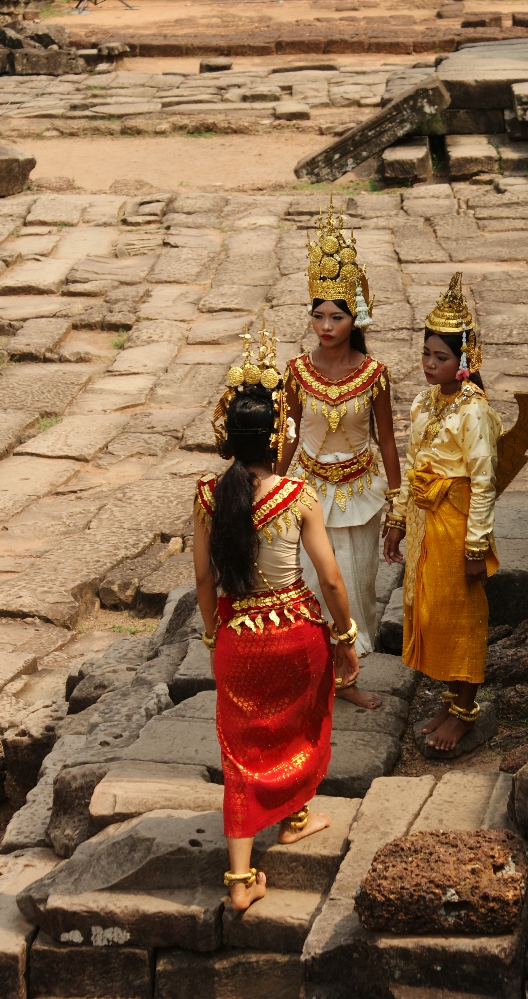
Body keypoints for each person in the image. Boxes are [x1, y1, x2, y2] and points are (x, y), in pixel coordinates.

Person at [193, 326, 360, 912]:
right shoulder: (297, 496)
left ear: (227, 438)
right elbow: (332, 580)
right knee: (297, 725)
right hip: (295, 635)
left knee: (241, 752)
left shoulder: (210, 498)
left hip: (239, 640)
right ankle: (295, 817)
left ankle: (240, 881)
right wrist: (345, 637)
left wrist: (215, 636)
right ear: (278, 436)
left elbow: (204, 581)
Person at [278, 197, 401, 711]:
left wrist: (398, 506)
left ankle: (346, 680)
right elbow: (285, 436)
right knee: (306, 586)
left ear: (357, 318)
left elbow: (389, 440)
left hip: (360, 496)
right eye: (319, 315)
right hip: (306, 493)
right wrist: (267, 489)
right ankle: (309, 678)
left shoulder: (374, 375)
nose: (326, 325)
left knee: (354, 586)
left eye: (337, 316)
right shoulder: (295, 371)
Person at [383, 273, 502, 753]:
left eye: (442, 357)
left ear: (465, 362)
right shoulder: (422, 402)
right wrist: (397, 522)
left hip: (458, 524)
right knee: (432, 612)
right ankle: (451, 698)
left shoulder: (475, 413)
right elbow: (412, 465)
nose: (430, 365)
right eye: (426, 354)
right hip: (424, 519)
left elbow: (485, 482)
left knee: (462, 612)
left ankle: (467, 711)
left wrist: (478, 546)